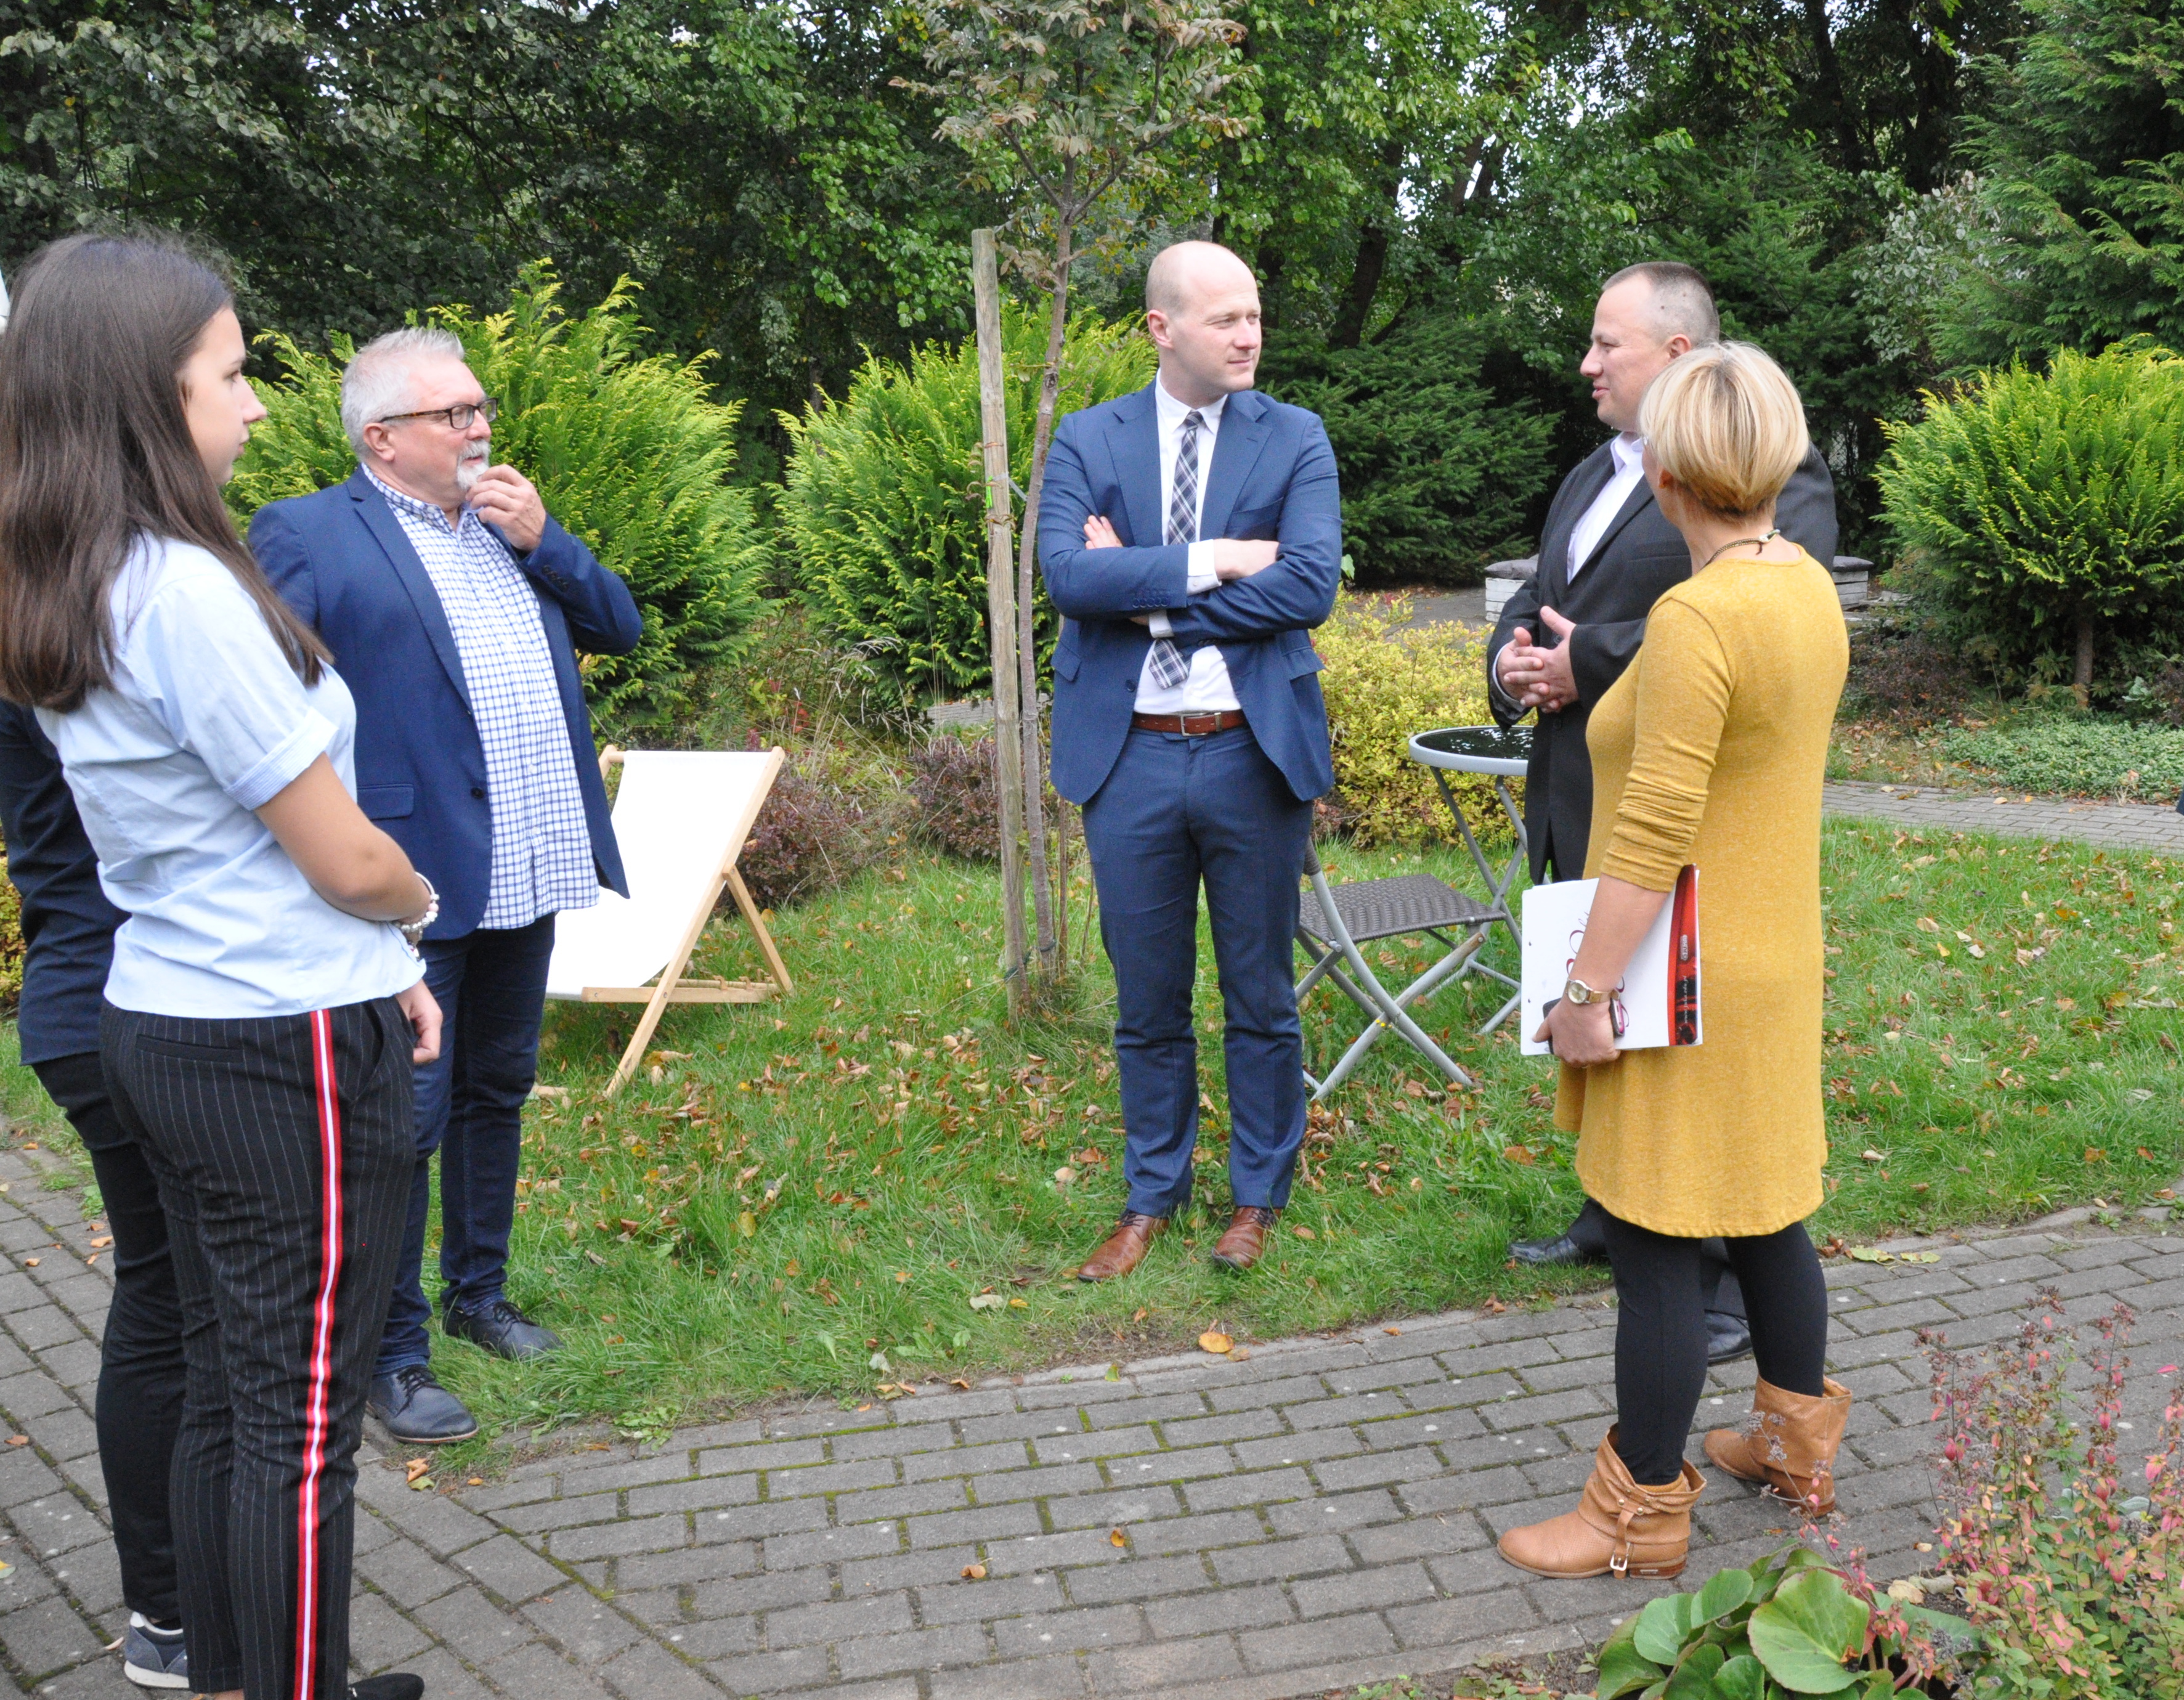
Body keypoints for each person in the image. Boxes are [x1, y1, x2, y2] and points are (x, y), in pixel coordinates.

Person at [0, 231, 436, 1700]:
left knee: (227, 1400)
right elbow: (345, 858)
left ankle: (246, 1672)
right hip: (283, 1039)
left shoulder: (77, 573)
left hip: (173, 1017)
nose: (256, 404)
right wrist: (415, 908)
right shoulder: (183, 590)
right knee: (301, 1422)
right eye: (232, 373)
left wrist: (378, 954)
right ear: (143, 391)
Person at [1495, 341, 1852, 1582]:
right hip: (1775, 951)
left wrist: (1583, 992)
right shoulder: (1802, 584)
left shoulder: (1701, 616)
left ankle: (1635, 1513)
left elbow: (1650, 830)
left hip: (1681, 964)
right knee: (1766, 1211)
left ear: (1668, 477)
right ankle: (1799, 1446)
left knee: (1653, 1238)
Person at [253, 328, 642, 1444]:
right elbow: (267, 706)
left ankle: (480, 1298)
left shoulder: (514, 526)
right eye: (453, 415)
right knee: (402, 1121)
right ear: (382, 438)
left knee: (495, 1091)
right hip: (411, 882)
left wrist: (548, 539)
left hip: (532, 858)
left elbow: (620, 625)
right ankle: (393, 1352)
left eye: (480, 408)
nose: (479, 429)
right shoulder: (311, 533)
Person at [1037, 240, 1341, 1279]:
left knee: (1260, 992)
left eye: (1255, 315)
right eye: (1225, 320)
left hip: (1249, 754)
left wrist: (1146, 594)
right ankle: (1149, 1196)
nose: (1249, 335)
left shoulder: (1295, 436)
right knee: (1146, 1000)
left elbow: (1305, 589)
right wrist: (1212, 565)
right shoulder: (1088, 436)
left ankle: (1257, 1196)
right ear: (1163, 330)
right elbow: (1069, 578)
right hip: (1125, 759)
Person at [0, 704, 190, 1690]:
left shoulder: (35, 637)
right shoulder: (55, 656)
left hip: (95, 999)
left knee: (169, 1295)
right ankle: (174, 1614)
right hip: (123, 1003)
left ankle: (194, 1608)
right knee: (172, 1303)